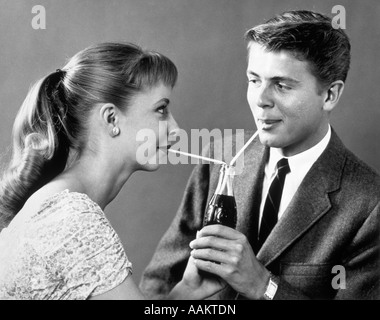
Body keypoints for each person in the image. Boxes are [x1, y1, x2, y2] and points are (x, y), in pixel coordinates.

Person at [140, 10, 380, 300]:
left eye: (281, 85)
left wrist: (263, 285)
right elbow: (161, 281)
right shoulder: (220, 155)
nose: (261, 101)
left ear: (330, 95)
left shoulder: (369, 204)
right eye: (254, 80)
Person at [0, 42, 225, 300]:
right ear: (111, 119)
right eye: (161, 109)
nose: (175, 130)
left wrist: (187, 290)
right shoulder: (74, 218)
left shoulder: (57, 202)